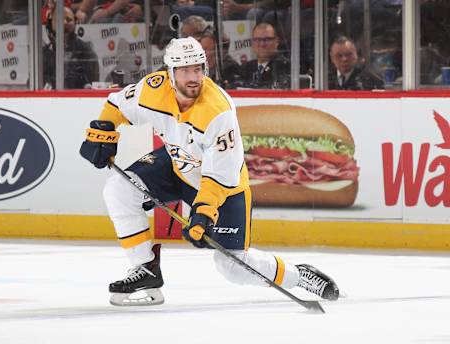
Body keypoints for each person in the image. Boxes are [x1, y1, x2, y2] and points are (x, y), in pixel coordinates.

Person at [79, 37, 339, 306]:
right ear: (170, 73)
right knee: (118, 190)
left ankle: (299, 276)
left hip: (223, 186)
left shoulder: (218, 112)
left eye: (198, 69)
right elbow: (116, 105)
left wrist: (202, 214)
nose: (193, 77)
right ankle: (145, 268)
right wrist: (101, 133)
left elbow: (219, 175)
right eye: (185, 70)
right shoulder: (152, 90)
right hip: (176, 165)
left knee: (233, 267)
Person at [43, 6, 100, 89]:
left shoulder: (86, 51)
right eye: (59, 19)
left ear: (75, 23)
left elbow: (93, 84)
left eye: (69, 20)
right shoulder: (44, 53)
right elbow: (33, 82)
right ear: (51, 24)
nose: (64, 22)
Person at [238, 22, 291, 89]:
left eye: (267, 39)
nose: (262, 44)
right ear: (252, 42)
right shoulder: (245, 68)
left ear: (277, 41)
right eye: (258, 40)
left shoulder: (285, 67)